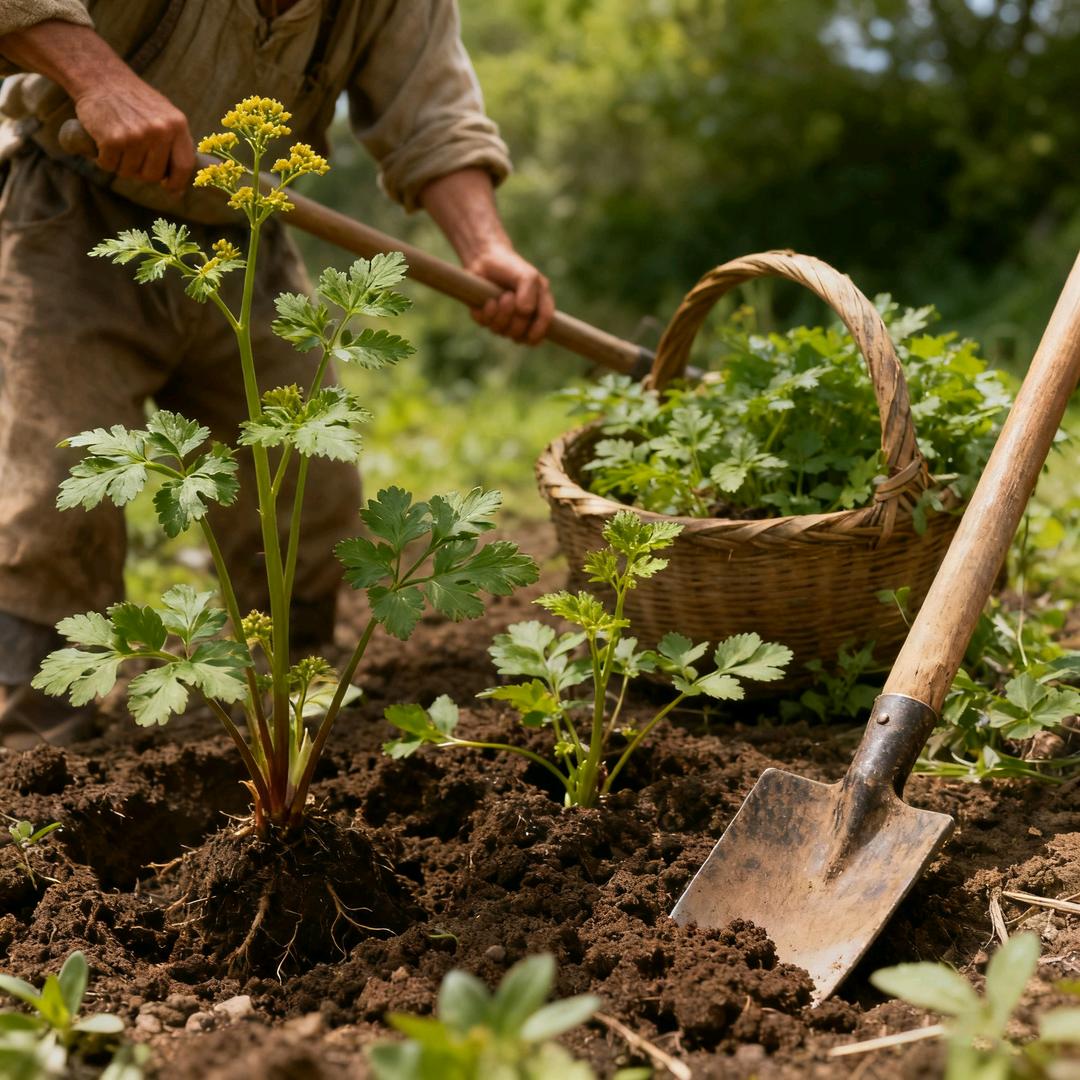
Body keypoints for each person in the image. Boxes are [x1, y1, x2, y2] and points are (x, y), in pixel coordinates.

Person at [0, 0, 555, 748]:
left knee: (308, 490)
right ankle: (35, 747)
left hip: (246, 233)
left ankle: (289, 698)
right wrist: (99, 80)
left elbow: (432, 111)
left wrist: (485, 247)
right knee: (56, 491)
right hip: (74, 213)